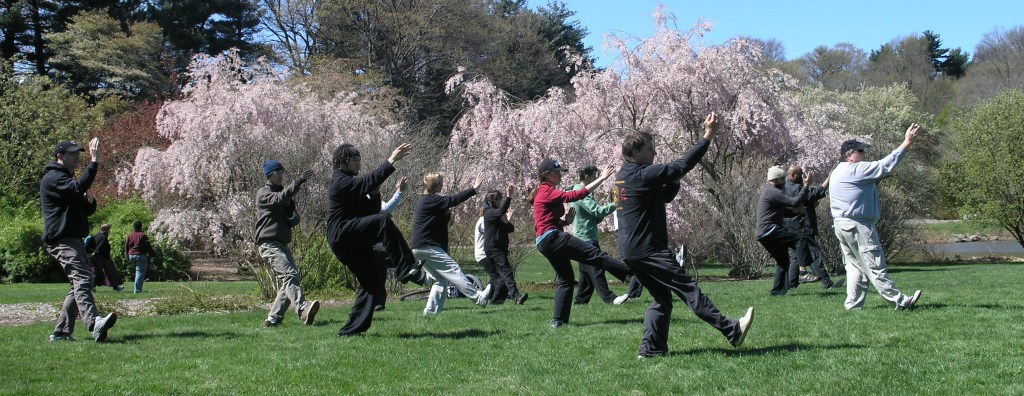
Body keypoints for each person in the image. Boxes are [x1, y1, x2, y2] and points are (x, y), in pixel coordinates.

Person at [614, 113, 753, 358]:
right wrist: (708, 135)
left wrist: (674, 180)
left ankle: (650, 350)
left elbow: (664, 196)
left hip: (632, 250)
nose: (654, 153)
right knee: (687, 288)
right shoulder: (641, 174)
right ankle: (732, 330)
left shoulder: (625, 177)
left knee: (661, 299)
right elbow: (681, 165)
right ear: (635, 153)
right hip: (649, 249)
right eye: (650, 149)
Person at [327, 143, 422, 336]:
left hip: (351, 240)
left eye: (360, 159)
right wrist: (391, 160)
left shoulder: (350, 184)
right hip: (342, 235)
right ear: (344, 160)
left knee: (371, 280)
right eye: (356, 159)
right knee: (383, 222)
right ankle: (405, 268)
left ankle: (351, 330)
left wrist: (376, 194)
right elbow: (364, 185)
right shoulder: (339, 181)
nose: (359, 163)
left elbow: (371, 210)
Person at [828, 124, 923, 310]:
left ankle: (853, 305)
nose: (864, 154)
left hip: (841, 225)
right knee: (875, 264)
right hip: (858, 225)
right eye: (860, 151)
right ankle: (900, 301)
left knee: (855, 267)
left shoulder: (838, 171)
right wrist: (906, 143)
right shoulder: (855, 169)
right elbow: (884, 166)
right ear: (849, 155)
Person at [530, 159, 630, 328]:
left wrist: (564, 222)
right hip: (553, 239)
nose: (560, 175)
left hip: (545, 241)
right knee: (594, 254)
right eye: (557, 172)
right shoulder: (546, 191)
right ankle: (630, 271)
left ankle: (558, 321)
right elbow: (575, 196)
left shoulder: (546, 191)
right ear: (546, 175)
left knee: (566, 279)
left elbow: (543, 221)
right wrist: (603, 178)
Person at [41, 138, 117, 342]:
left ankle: (61, 332)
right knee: (84, 277)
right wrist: (94, 162)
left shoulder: (66, 180)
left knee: (78, 285)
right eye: (72, 154)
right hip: (61, 239)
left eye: (78, 154)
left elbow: (85, 209)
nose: (77, 158)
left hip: (72, 239)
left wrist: (90, 201)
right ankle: (94, 323)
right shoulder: (53, 178)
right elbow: (76, 187)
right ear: (60, 156)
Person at [412, 172, 492, 315]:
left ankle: (430, 312)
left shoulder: (425, 201)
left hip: (421, 246)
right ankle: (478, 297)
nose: (443, 185)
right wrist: (473, 189)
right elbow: (453, 200)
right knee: (454, 271)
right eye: (441, 183)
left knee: (440, 280)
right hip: (427, 246)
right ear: (435, 186)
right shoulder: (431, 199)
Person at [256, 160, 320, 327]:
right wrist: (298, 181)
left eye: (282, 172)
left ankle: (273, 318)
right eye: (278, 172)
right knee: (290, 275)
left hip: (282, 244)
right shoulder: (263, 194)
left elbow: (292, 221)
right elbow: (279, 198)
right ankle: (302, 310)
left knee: (291, 278)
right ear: (271, 174)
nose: (281, 175)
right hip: (269, 244)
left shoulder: (283, 196)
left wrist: (292, 213)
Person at [756, 165, 813, 296]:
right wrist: (806, 186)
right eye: (783, 179)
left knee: (783, 262)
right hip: (771, 230)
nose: (785, 182)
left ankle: (777, 292)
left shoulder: (768, 191)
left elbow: (784, 210)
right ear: (776, 180)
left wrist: (797, 211)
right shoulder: (773, 191)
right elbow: (793, 202)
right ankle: (803, 270)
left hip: (763, 233)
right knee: (800, 238)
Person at [783, 166, 842, 289]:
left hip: (790, 226)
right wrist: (829, 178)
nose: (802, 176)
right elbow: (816, 194)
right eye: (800, 174)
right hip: (803, 226)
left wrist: (807, 185)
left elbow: (807, 198)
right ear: (793, 175)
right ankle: (828, 283)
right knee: (814, 253)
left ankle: (791, 284)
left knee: (795, 256)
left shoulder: (785, 188)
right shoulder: (798, 188)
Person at [570, 165, 621, 305]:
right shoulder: (582, 192)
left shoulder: (579, 192)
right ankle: (610, 298)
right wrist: (616, 203)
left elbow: (595, 217)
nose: (595, 180)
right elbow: (597, 212)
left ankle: (580, 301)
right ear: (586, 177)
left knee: (586, 274)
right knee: (597, 269)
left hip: (583, 237)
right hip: (586, 239)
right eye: (594, 176)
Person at [480, 185, 526, 305]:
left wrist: (507, 221)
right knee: (506, 272)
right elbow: (501, 211)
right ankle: (517, 297)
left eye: (501, 198)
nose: (500, 201)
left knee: (502, 276)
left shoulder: (498, 215)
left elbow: (511, 229)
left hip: (500, 248)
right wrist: (509, 196)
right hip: (494, 249)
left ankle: (496, 301)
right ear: (491, 201)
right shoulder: (489, 213)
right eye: (498, 199)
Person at [372, 175, 409, 312]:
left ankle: (378, 304)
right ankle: (404, 269)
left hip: (375, 241)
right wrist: (399, 191)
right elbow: (387, 208)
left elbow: (385, 209)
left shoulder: (370, 200)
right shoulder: (368, 201)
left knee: (379, 273)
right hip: (374, 241)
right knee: (384, 263)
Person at [86, 224, 124, 292]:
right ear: (106, 230)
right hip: (103, 257)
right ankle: (116, 286)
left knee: (97, 272)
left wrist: (90, 253)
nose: (110, 230)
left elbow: (91, 245)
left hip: (96, 257)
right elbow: (100, 246)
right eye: (109, 229)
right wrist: (95, 252)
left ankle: (93, 286)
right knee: (110, 272)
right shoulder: (103, 237)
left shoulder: (96, 236)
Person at [125, 220, 155, 294]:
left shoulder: (130, 235)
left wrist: (127, 255)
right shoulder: (143, 235)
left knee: (138, 272)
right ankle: (137, 291)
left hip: (131, 255)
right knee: (140, 272)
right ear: (141, 226)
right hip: (140, 255)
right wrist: (153, 254)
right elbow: (148, 246)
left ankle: (137, 288)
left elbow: (126, 246)